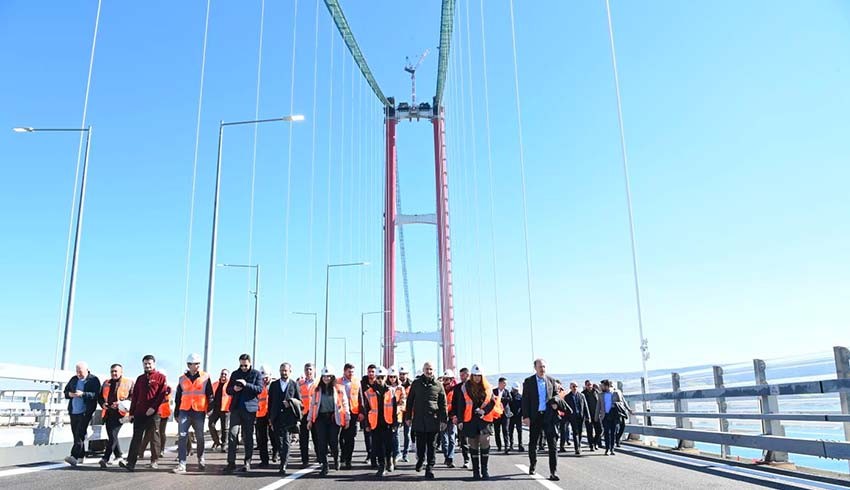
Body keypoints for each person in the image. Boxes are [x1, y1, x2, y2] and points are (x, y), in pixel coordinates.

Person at [453, 364, 502, 480]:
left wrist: (483, 411)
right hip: (469, 419)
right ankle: (476, 471)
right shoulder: (465, 387)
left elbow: (492, 402)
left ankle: (485, 471)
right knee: (473, 444)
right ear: (472, 375)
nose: (477, 378)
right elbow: (460, 405)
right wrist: (460, 420)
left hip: (484, 419)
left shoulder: (487, 387)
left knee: (485, 441)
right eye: (475, 376)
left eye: (479, 376)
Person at [122, 355, 167, 472]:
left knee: (154, 436)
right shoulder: (140, 379)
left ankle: (154, 460)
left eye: (149, 364)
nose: (147, 366)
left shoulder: (160, 378)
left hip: (154, 412)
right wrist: (131, 413)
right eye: (145, 364)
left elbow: (162, 395)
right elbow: (135, 396)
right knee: (136, 437)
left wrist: (153, 407)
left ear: (154, 364)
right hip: (139, 412)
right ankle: (130, 462)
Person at [404, 361, 447, 480]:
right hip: (419, 420)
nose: (429, 371)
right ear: (423, 370)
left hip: (433, 421)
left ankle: (430, 468)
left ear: (434, 371)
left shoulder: (438, 385)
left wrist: (444, 419)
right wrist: (408, 417)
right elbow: (410, 401)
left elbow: (443, 404)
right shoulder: (416, 384)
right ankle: (420, 460)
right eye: (427, 369)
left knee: (432, 446)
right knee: (420, 445)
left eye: (431, 369)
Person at [173, 353, 213, 474]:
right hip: (184, 410)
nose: (196, 366)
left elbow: (210, 395)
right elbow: (178, 396)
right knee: (182, 436)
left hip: (199, 411)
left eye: (198, 364)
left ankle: (201, 458)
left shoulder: (205, 377)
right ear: (188, 365)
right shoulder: (182, 379)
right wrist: (176, 412)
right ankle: (182, 464)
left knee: (200, 436)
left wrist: (210, 408)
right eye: (194, 364)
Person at [223, 353, 263, 473]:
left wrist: (246, 385)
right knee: (232, 435)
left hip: (249, 410)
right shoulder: (235, 374)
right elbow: (228, 390)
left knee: (248, 437)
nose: (243, 368)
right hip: (235, 409)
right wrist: (234, 389)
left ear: (250, 363)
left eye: (245, 365)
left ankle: (247, 462)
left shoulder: (256, 374)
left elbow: (259, 389)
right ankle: (231, 463)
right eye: (241, 365)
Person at [307, 366, 350, 476]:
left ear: (332, 377)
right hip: (320, 418)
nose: (326, 378)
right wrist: (309, 420)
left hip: (334, 418)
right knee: (322, 443)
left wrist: (347, 418)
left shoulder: (339, 388)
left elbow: (345, 404)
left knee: (333, 442)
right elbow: (312, 405)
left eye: (328, 376)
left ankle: (336, 458)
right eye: (324, 376)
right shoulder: (317, 390)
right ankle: (325, 466)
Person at [521, 358, 558, 480]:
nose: (542, 369)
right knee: (533, 443)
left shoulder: (551, 381)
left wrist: (555, 402)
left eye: (544, 367)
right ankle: (533, 464)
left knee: (552, 445)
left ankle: (553, 472)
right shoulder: (529, 381)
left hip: (549, 417)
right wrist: (525, 416)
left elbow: (556, 395)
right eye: (540, 367)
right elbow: (525, 400)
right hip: (535, 417)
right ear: (535, 368)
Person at [362, 366, 400, 477]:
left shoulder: (391, 391)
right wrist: (367, 424)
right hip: (375, 423)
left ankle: (389, 460)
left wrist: (395, 423)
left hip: (387, 423)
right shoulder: (369, 392)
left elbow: (394, 408)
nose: (380, 380)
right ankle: (381, 466)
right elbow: (366, 409)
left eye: (382, 377)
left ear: (385, 378)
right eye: (378, 377)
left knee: (388, 446)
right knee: (378, 446)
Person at [63, 361, 100, 467]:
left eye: (80, 371)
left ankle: (73, 456)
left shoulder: (93, 380)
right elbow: (65, 392)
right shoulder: (74, 379)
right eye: (77, 371)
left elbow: (96, 395)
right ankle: (81, 455)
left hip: (85, 411)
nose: (78, 374)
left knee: (80, 433)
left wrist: (83, 394)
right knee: (76, 433)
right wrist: (69, 394)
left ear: (87, 370)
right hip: (73, 410)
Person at [268, 362, 301, 475]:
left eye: (286, 370)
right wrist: (270, 418)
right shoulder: (274, 385)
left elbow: (299, 401)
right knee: (278, 441)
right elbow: (270, 402)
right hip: (276, 417)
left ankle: (284, 464)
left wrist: (291, 403)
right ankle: (280, 455)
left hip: (288, 417)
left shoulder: (294, 384)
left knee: (286, 441)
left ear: (290, 371)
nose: (284, 372)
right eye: (282, 370)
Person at [97, 363, 132, 468]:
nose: (114, 373)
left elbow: (133, 397)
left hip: (121, 413)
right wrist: (103, 404)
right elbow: (100, 397)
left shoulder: (128, 383)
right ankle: (119, 456)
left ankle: (105, 458)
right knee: (112, 436)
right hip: (108, 413)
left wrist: (121, 403)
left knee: (113, 435)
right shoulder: (106, 383)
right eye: (112, 371)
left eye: (116, 371)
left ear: (121, 372)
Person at [596, 379, 628, 455]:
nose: (601, 387)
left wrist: (614, 404)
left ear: (606, 386)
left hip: (614, 415)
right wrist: (596, 417)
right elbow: (598, 406)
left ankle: (612, 448)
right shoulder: (600, 395)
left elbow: (621, 403)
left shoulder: (615, 393)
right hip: (605, 416)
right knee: (606, 432)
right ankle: (607, 448)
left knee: (613, 433)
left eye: (602, 386)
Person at [543, 394, 570, 481]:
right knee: (534, 445)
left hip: (551, 427)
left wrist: (558, 408)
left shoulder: (556, 399)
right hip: (540, 423)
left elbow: (569, 410)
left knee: (553, 449)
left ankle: (553, 472)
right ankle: (533, 465)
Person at [339, 362, 360, 470]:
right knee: (341, 437)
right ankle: (342, 457)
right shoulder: (338, 382)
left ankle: (348, 460)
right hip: (340, 413)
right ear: (344, 371)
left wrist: (361, 412)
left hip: (353, 412)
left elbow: (360, 398)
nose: (351, 373)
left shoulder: (357, 382)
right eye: (349, 372)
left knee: (350, 438)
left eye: (352, 372)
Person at [448, 367, 471, 469]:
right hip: (461, 418)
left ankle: (475, 460)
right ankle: (466, 459)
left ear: (468, 375)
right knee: (463, 440)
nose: (461, 377)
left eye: (463, 375)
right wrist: (454, 415)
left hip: (473, 418)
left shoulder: (474, 387)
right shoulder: (457, 388)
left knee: (474, 440)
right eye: (460, 375)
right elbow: (454, 404)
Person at [386, 366, 406, 470]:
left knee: (395, 435)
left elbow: (403, 401)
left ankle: (396, 454)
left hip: (397, 416)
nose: (392, 378)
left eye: (394, 376)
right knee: (388, 437)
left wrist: (400, 408)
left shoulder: (400, 388)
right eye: (390, 377)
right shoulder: (386, 387)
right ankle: (389, 457)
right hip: (387, 416)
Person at [255, 365, 274, 468]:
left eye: (266, 377)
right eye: (263, 378)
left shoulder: (274, 385)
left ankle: (275, 451)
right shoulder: (258, 386)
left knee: (274, 436)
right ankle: (264, 460)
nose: (265, 379)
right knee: (262, 439)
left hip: (272, 415)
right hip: (260, 415)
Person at [297, 363, 317, 467]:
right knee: (303, 439)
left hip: (315, 414)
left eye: (310, 369)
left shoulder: (318, 383)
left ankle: (320, 457)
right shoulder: (299, 383)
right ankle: (305, 460)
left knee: (317, 438)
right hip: (303, 414)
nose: (308, 371)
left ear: (314, 370)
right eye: (306, 369)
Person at [563, 381, 590, 455]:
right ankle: (577, 448)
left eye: (576, 386)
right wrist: (566, 418)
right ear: (570, 388)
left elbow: (585, 406)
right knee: (575, 432)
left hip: (580, 416)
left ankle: (579, 444)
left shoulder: (581, 395)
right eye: (573, 386)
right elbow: (565, 409)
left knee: (580, 431)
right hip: (572, 417)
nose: (575, 388)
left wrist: (588, 416)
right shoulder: (567, 397)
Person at [359, 364, 377, 468]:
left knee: (376, 435)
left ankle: (376, 455)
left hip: (376, 413)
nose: (371, 373)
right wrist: (361, 412)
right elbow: (359, 398)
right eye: (369, 371)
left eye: (373, 372)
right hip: (365, 413)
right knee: (367, 435)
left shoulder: (378, 382)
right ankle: (369, 454)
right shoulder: (362, 384)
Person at [209, 369, 231, 452]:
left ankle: (224, 444)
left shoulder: (230, 385)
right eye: (222, 374)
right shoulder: (214, 384)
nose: (223, 376)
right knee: (211, 424)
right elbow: (210, 396)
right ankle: (216, 441)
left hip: (225, 409)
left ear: (228, 376)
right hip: (215, 409)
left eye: (225, 374)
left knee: (224, 428)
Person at [439, 369, 457, 468]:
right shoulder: (440, 389)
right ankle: (447, 457)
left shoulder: (455, 390)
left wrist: (455, 415)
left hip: (452, 417)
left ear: (451, 379)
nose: (445, 381)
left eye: (447, 379)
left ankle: (450, 458)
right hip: (442, 417)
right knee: (444, 439)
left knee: (452, 438)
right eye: (444, 379)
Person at [397, 365, 413, 462]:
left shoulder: (412, 385)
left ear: (407, 375)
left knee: (407, 434)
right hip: (399, 412)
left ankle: (405, 454)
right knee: (397, 434)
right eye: (401, 374)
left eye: (404, 374)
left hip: (408, 412)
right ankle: (398, 452)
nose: (402, 376)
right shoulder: (396, 385)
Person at [492, 377, 511, 453]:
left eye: (506, 384)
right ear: (500, 383)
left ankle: (507, 446)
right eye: (504, 383)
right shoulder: (494, 391)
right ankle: (499, 446)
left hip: (505, 414)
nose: (505, 385)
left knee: (505, 430)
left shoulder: (506, 391)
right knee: (497, 431)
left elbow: (510, 399)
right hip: (497, 414)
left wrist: (500, 398)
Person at [582, 380, 601, 451]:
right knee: (589, 432)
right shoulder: (583, 394)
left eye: (590, 384)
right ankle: (591, 445)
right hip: (588, 416)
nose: (589, 386)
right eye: (588, 385)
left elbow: (601, 402)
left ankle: (594, 442)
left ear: (592, 385)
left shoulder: (596, 392)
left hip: (596, 415)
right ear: (585, 386)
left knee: (599, 430)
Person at [508, 381, 524, 452]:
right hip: (510, 417)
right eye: (514, 389)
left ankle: (520, 445)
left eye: (516, 390)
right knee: (510, 431)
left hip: (518, 417)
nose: (515, 391)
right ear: (512, 388)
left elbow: (523, 407)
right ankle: (511, 445)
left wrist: (523, 415)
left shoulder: (520, 397)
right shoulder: (509, 395)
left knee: (519, 431)